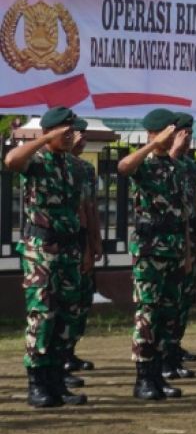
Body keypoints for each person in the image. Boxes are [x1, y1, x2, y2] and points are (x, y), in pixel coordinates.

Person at [6, 107, 88, 409]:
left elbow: (78, 209)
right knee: (42, 315)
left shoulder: (75, 167)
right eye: (65, 132)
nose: (71, 136)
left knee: (66, 317)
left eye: (72, 131)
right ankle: (37, 383)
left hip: (68, 251)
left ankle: (56, 381)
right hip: (41, 250)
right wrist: (44, 140)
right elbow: (11, 161)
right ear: (50, 131)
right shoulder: (36, 161)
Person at [117, 109, 191, 400]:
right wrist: (152, 143)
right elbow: (123, 167)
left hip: (173, 249)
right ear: (157, 131)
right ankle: (143, 378)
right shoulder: (144, 163)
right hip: (150, 251)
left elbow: (182, 213)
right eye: (170, 130)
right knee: (147, 313)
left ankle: (158, 374)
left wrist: (186, 251)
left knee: (166, 314)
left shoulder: (175, 167)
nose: (175, 134)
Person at [64, 118, 102, 375]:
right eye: (75, 132)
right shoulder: (54, 166)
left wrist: (94, 241)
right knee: (63, 302)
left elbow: (89, 207)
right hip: (63, 240)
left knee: (82, 299)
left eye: (83, 133)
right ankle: (60, 356)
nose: (81, 137)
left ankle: (70, 350)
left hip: (82, 238)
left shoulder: (85, 169)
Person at [168, 113, 196, 374]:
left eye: (190, 134)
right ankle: (164, 351)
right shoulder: (156, 163)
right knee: (166, 299)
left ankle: (175, 344)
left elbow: (194, 203)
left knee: (184, 296)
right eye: (183, 133)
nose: (188, 138)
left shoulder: (188, 166)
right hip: (165, 238)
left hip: (187, 235)